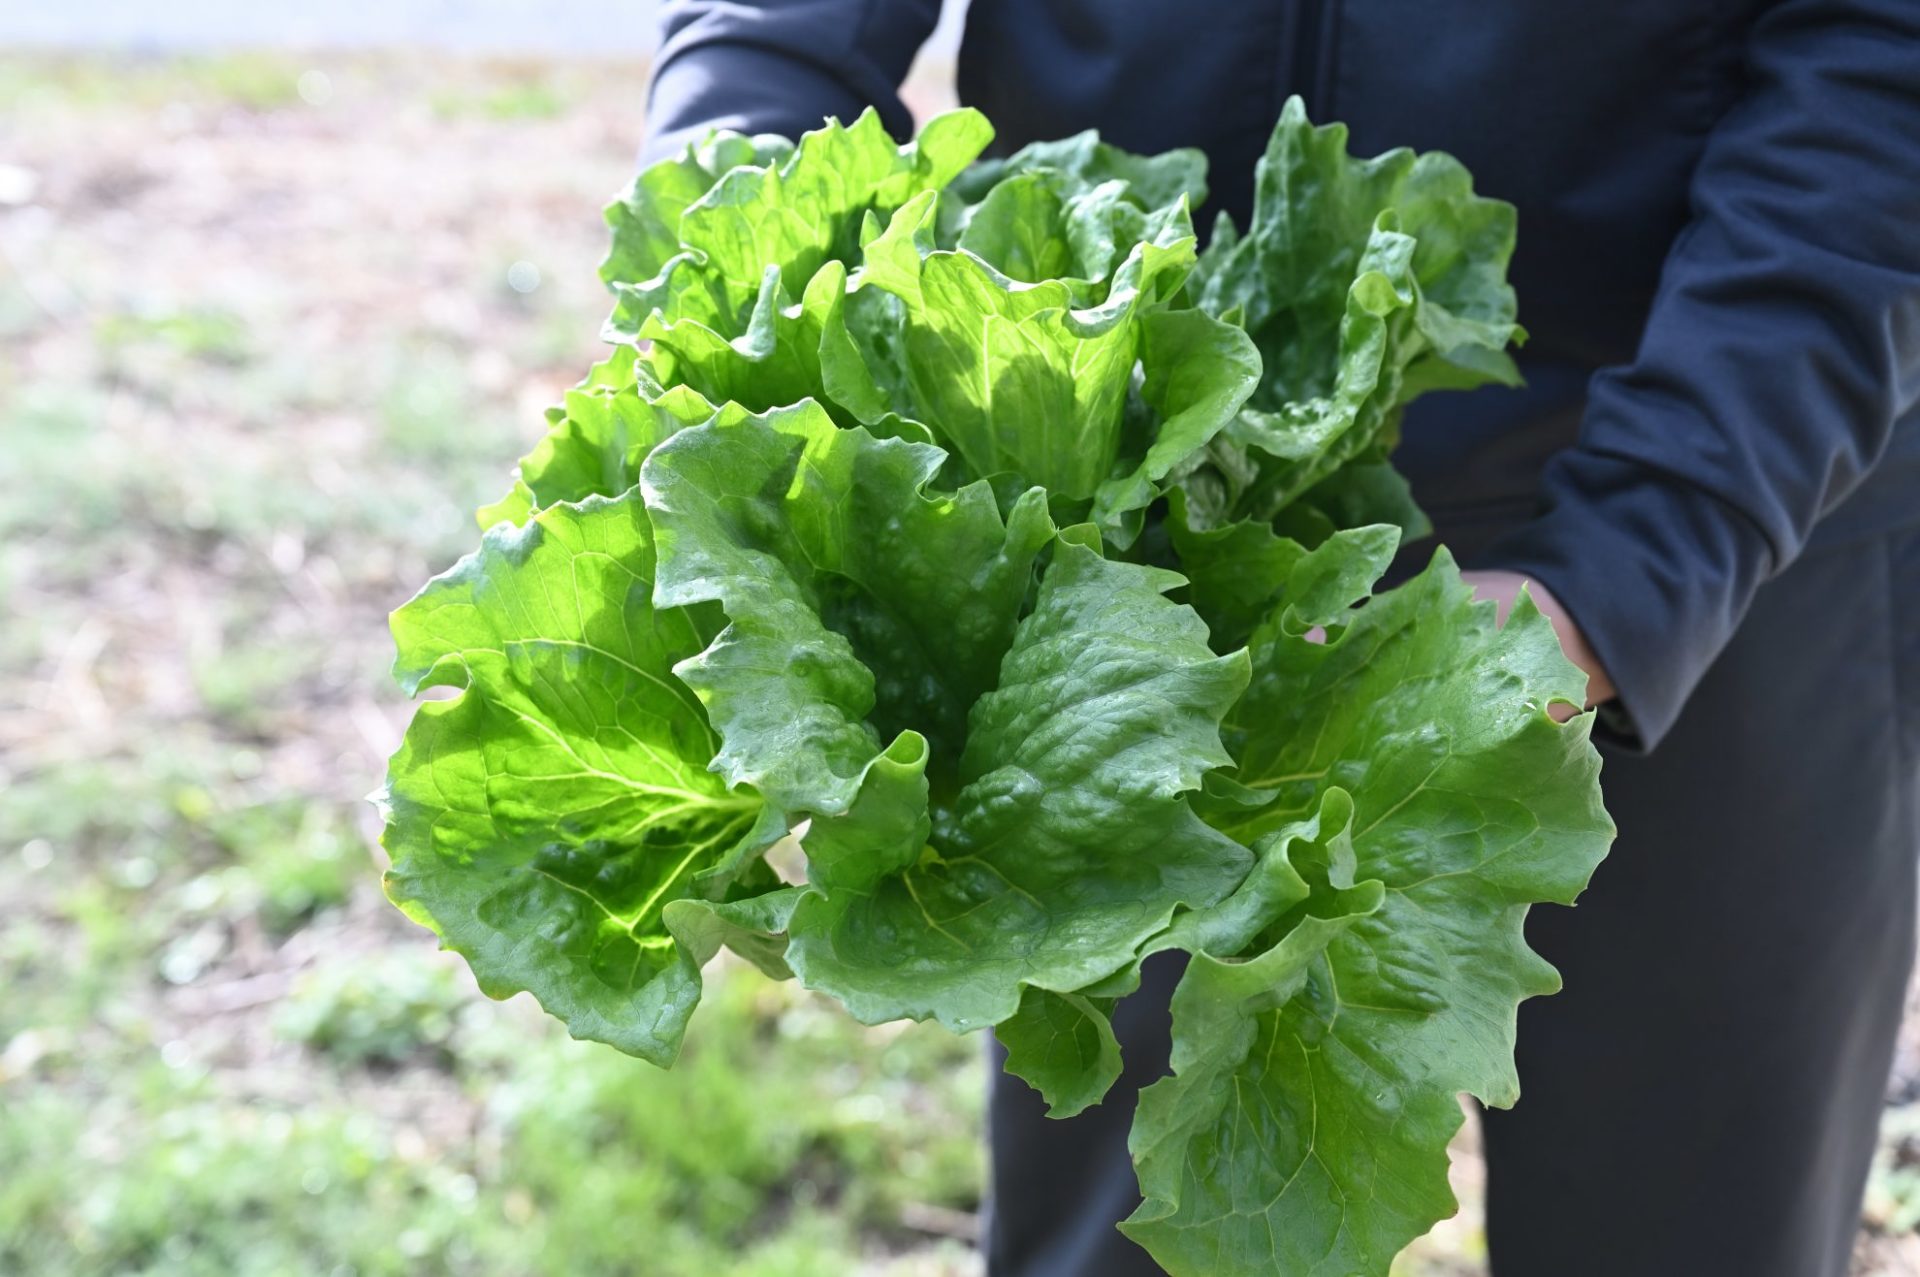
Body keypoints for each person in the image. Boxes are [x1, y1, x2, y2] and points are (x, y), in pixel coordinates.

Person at [636, 3, 1920, 1274]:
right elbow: (775, 27)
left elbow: (1880, 57)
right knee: (1155, 1215)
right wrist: (749, 331)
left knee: (1683, 1215)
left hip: (1743, 499)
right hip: (1125, 544)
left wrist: (1644, 556)